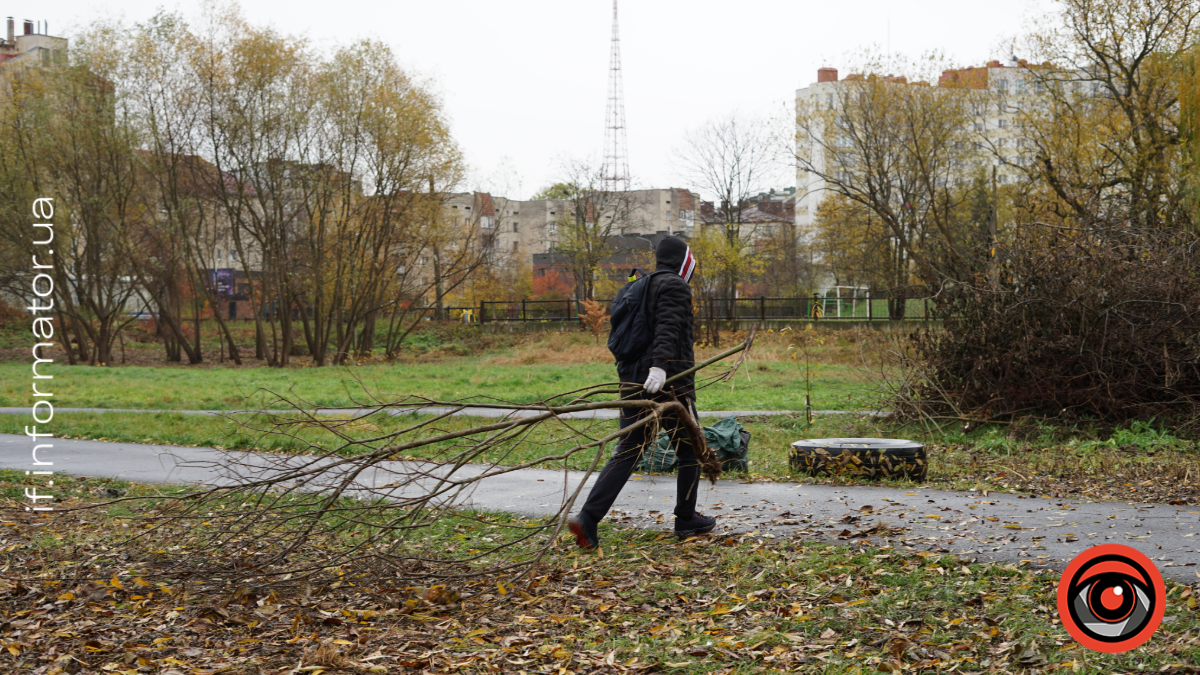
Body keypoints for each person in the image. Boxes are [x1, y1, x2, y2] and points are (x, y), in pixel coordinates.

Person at [568, 236, 716, 549]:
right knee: (690, 448)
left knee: (629, 450)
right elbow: (669, 326)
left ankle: (587, 519)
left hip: (632, 381)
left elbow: (623, 336)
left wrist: (638, 372)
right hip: (670, 382)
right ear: (682, 261)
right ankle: (686, 519)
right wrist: (661, 366)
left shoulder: (637, 285)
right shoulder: (674, 285)